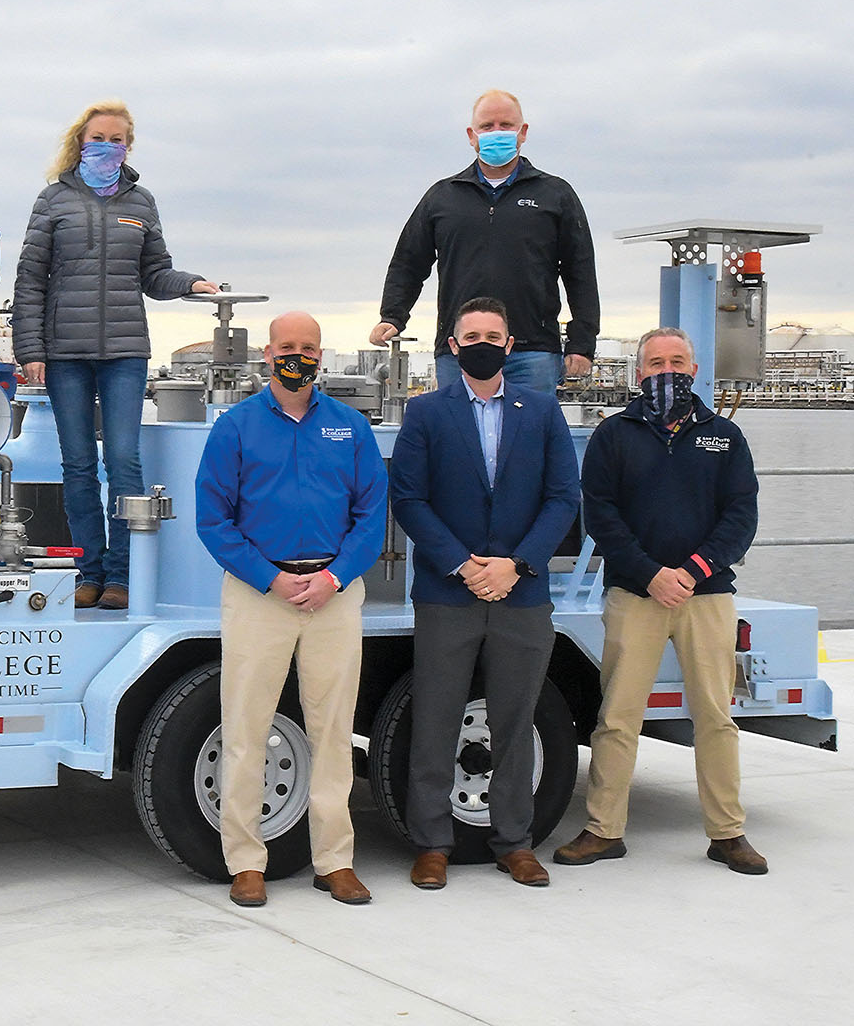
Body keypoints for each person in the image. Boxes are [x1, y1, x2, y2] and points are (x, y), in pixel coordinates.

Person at [554, 327, 766, 875]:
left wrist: (694, 570)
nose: (665, 370)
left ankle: (727, 832)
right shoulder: (614, 435)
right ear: (638, 371)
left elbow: (741, 514)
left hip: (707, 595)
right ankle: (604, 829)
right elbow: (600, 513)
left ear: (694, 371)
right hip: (635, 595)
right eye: (654, 362)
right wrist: (650, 575)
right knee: (618, 716)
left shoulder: (724, 436)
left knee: (716, 718)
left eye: (677, 360)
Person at [196, 311, 387, 908]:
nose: (297, 356)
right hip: (261, 596)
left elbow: (371, 516)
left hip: (332, 593)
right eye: (287, 346)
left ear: (321, 356)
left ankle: (335, 862)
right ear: (268, 353)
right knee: (247, 729)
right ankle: (246, 861)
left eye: (308, 347)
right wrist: (269, 578)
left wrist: (334, 577)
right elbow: (213, 520)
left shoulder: (350, 428)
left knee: (333, 732)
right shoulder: (236, 427)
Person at [389, 297, 580, 891]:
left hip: (521, 595)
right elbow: (409, 500)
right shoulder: (426, 413)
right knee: (437, 720)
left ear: (510, 343)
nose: (482, 343)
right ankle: (432, 844)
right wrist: (462, 565)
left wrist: (517, 566)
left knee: (515, 721)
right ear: (452, 345)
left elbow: (562, 498)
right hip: (449, 593)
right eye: (471, 334)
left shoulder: (543, 412)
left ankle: (515, 842)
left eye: (492, 334)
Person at [11, 100, 218, 611]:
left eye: (117, 139)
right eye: (97, 138)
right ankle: (88, 572)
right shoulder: (53, 200)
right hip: (65, 354)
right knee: (78, 465)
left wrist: (191, 283)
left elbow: (154, 273)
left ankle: (122, 577)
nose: (107, 146)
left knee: (124, 461)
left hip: (126, 352)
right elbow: (30, 279)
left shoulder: (141, 202)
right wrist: (29, 349)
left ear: (129, 146)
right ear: (81, 141)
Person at [370, 90, 600, 393]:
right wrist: (393, 315)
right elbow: (408, 263)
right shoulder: (442, 197)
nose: (497, 133)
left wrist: (582, 342)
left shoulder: (555, 195)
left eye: (506, 125)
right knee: (459, 438)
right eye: (487, 126)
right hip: (459, 350)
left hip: (532, 353)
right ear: (471, 135)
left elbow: (580, 271)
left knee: (528, 438)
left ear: (523, 132)